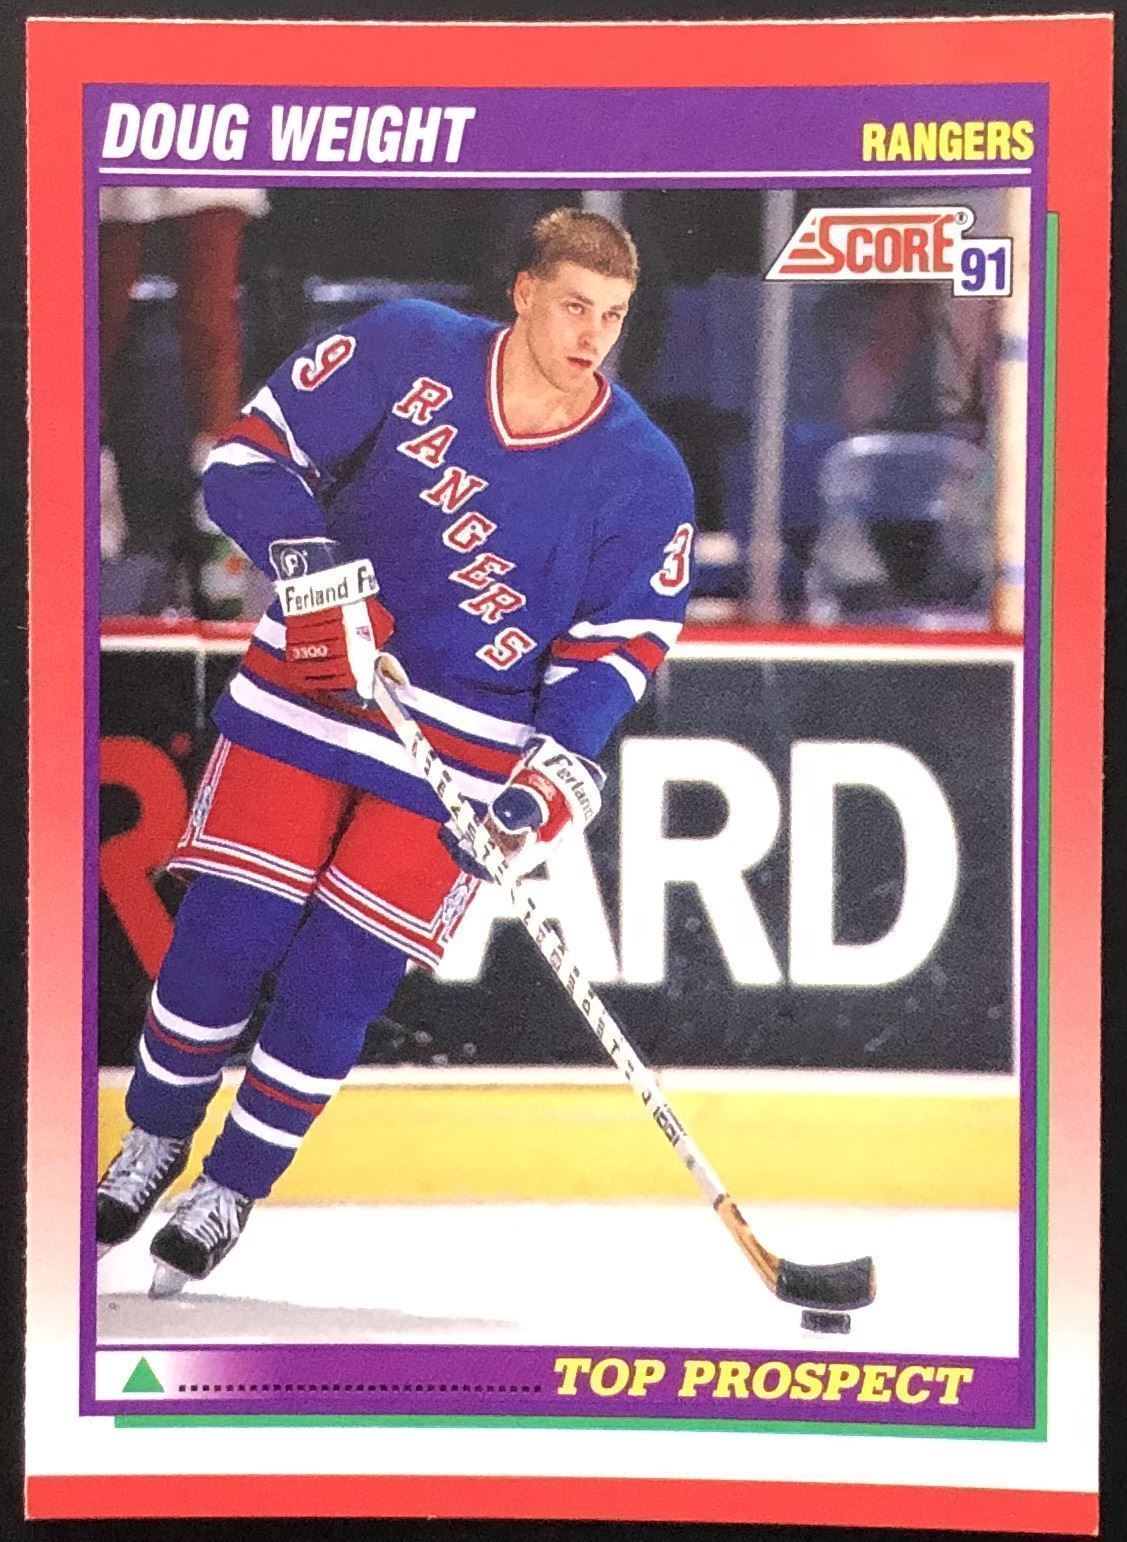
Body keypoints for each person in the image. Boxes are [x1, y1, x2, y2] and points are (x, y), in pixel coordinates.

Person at [95, 207, 696, 1296]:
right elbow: (247, 461)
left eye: (612, 315)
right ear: (522, 291)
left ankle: (230, 1186)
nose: (591, 335)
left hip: (463, 755)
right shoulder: (406, 345)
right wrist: (316, 566)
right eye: (573, 305)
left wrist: (547, 776)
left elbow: (615, 651)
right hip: (310, 694)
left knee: (339, 980)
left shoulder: (644, 475)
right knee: (227, 936)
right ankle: (154, 1138)